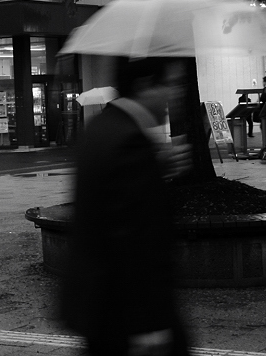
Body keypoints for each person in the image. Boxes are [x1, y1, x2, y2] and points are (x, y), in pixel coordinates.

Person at [62, 58, 191, 356]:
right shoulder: (130, 143)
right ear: (146, 85)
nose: (177, 94)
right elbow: (133, 240)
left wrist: (156, 170)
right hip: (127, 316)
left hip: (99, 309)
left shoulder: (103, 128)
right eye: (170, 84)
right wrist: (149, 326)